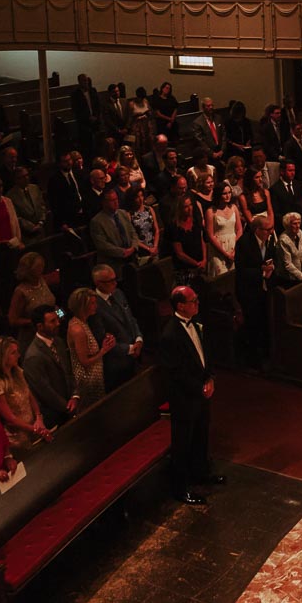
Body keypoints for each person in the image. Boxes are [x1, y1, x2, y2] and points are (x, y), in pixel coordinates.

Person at [157, 286, 221, 505]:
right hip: (184, 397)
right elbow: (175, 373)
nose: (197, 303)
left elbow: (205, 354)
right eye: (193, 300)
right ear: (180, 306)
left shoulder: (196, 324)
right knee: (183, 443)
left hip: (201, 392)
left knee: (201, 436)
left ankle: (201, 474)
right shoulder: (170, 335)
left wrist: (210, 378)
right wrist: (199, 387)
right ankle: (181, 488)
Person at [0, 336, 51, 451]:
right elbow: (10, 418)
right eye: (13, 353)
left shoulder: (17, 371)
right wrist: (35, 429)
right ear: (2, 357)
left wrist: (38, 418)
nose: (18, 355)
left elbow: (30, 396)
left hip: (35, 427)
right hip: (18, 438)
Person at [22, 305, 78, 428]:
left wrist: (74, 395)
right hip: (54, 414)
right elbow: (44, 390)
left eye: (57, 319)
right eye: (52, 321)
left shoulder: (58, 342)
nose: (58, 323)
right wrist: (66, 406)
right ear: (40, 326)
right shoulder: (33, 356)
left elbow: (68, 371)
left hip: (70, 403)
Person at [91, 265, 144, 390]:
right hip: (116, 363)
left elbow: (131, 319)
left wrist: (139, 339)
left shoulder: (119, 293)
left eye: (115, 279)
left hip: (134, 355)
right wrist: (130, 348)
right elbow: (101, 338)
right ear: (98, 283)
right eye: (110, 281)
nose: (115, 283)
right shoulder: (93, 305)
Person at [89, 186, 139, 276]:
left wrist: (133, 247)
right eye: (112, 200)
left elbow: (133, 233)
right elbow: (103, 246)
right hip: (113, 264)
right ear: (104, 203)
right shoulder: (97, 221)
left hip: (131, 258)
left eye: (116, 199)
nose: (116, 202)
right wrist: (123, 252)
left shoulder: (123, 213)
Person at [7, 251, 55, 338]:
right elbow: (12, 320)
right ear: (28, 270)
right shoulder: (21, 292)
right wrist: (36, 322)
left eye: (42, 266)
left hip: (51, 333)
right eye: (38, 267)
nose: (42, 269)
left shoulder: (43, 281)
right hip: (32, 338)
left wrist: (60, 314)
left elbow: (55, 308)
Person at [204, 184, 241, 285]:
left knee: (235, 279)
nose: (228, 196)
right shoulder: (211, 211)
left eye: (229, 193)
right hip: (219, 248)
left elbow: (239, 230)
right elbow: (210, 235)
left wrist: (234, 250)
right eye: (224, 193)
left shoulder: (233, 208)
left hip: (233, 246)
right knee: (221, 281)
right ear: (218, 195)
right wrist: (225, 254)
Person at [275, 211, 302, 285]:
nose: (298, 226)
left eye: (299, 223)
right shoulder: (283, 240)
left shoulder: (300, 233)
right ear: (287, 225)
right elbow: (288, 264)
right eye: (295, 223)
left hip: (301, 274)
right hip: (289, 279)